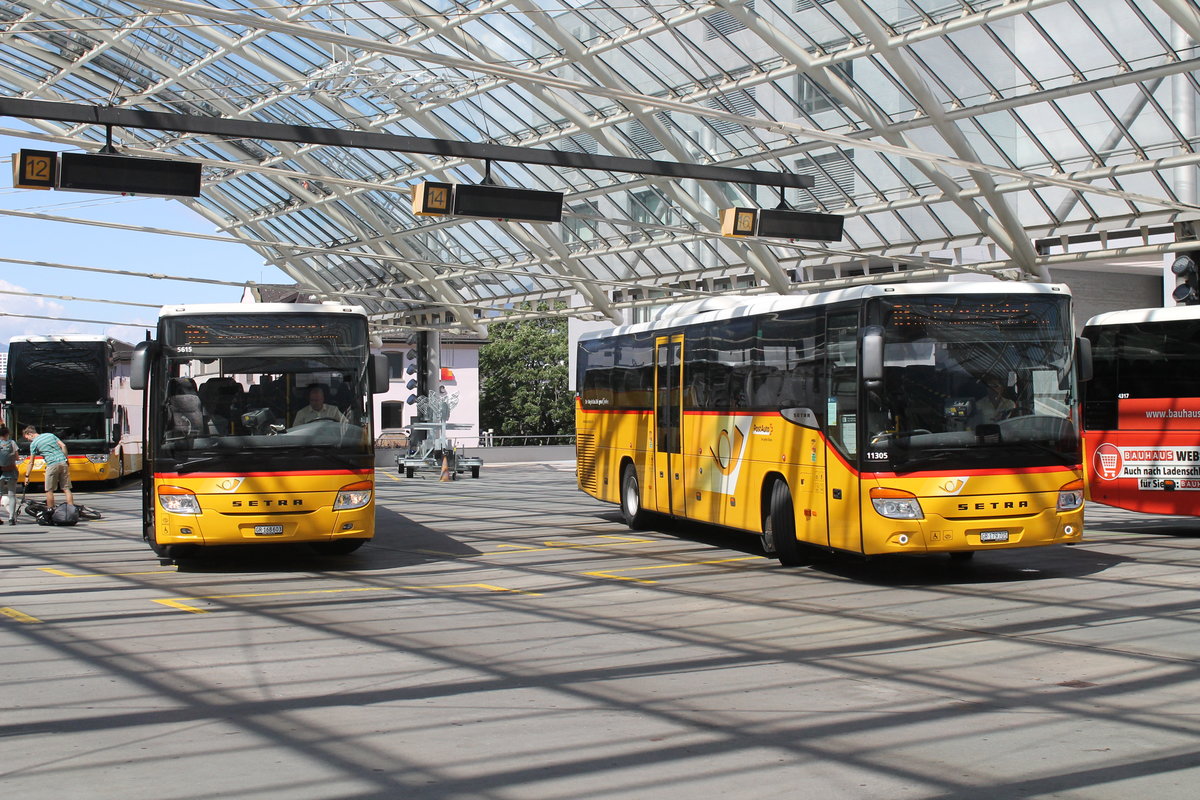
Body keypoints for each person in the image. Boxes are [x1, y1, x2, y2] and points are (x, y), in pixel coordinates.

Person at [23, 425, 75, 513]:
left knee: (49, 490)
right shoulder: (50, 435)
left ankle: (50, 511)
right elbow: (63, 445)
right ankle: (72, 510)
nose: (28, 440)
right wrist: (66, 459)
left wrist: (27, 476)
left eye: (27, 438)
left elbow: (31, 462)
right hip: (63, 462)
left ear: (30, 434)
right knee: (66, 488)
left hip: (52, 465)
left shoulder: (34, 444)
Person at [0, 426, 19, 525]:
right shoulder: (12, 443)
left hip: (0, 472)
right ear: (7, 434)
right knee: (12, 494)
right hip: (11, 471)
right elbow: (17, 457)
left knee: (0, 494)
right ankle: (11, 517)